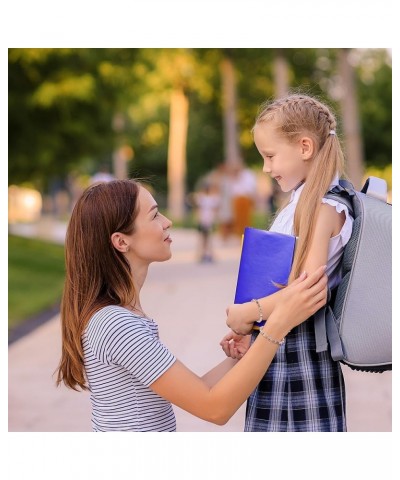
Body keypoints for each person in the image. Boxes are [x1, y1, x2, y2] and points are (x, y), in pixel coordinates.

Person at [55, 179, 328, 432]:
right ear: (121, 241)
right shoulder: (116, 324)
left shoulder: (119, 317)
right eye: (154, 215)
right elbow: (214, 408)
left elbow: (197, 390)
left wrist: (243, 354)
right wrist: (278, 325)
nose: (167, 222)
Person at [221, 93, 354, 432]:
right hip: (280, 344)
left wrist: (248, 313)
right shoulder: (302, 199)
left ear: (305, 147)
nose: (266, 168)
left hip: (299, 354)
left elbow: (307, 292)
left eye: (270, 156)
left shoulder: (326, 205)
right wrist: (252, 330)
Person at [192, 180, 220, 263]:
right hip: (204, 219)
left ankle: (208, 254)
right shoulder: (202, 198)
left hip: (208, 220)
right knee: (203, 238)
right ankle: (203, 254)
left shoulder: (211, 198)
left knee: (208, 238)